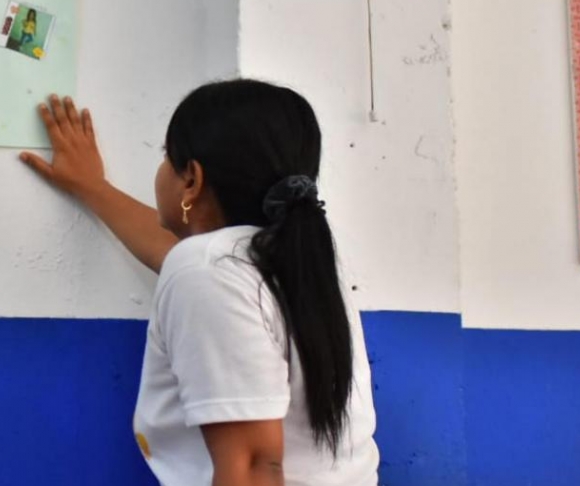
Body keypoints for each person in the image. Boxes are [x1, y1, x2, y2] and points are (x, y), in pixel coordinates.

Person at [19, 83, 380, 486]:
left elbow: (252, 468)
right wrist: (93, 187)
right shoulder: (293, 260)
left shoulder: (208, 270)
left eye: (165, 156)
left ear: (191, 179)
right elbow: (176, 254)